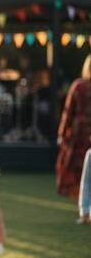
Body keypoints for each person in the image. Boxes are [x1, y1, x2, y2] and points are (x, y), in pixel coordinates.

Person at [56, 54, 91, 197]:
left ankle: (82, 206)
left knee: (78, 171)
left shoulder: (78, 86)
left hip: (79, 135)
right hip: (82, 134)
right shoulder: (78, 86)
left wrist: (62, 134)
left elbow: (68, 112)